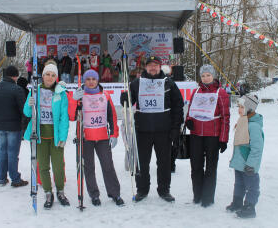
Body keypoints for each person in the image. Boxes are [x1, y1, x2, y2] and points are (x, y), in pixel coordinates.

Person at [120, 56, 184, 202]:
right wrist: (124, 98)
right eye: (150, 65)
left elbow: (178, 106)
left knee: (164, 162)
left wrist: (176, 128)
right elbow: (129, 102)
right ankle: (142, 190)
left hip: (164, 130)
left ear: (160, 66)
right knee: (142, 162)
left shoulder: (169, 83)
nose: (153, 68)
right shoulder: (137, 83)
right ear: (145, 68)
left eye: (155, 65)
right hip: (142, 130)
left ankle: (164, 190)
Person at [72, 69, 124, 206]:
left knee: (108, 166)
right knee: (89, 167)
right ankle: (94, 194)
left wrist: (113, 134)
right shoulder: (80, 96)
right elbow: (72, 116)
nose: (90, 82)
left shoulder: (105, 95)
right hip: (85, 137)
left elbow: (112, 116)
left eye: (93, 79)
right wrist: (74, 100)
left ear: (97, 80)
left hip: (102, 137)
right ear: (84, 80)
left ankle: (115, 193)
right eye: (88, 79)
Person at [23, 61, 70, 209]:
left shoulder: (60, 93)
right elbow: (27, 113)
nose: (49, 78)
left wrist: (63, 137)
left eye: (53, 75)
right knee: (42, 166)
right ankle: (48, 193)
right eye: (47, 75)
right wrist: (29, 104)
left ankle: (60, 192)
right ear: (43, 76)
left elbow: (64, 117)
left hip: (55, 136)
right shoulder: (35, 91)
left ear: (56, 77)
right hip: (40, 136)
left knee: (58, 167)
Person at [184, 64, 230, 207]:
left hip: (213, 135)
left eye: (208, 75)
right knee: (196, 166)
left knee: (210, 167)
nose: (205, 78)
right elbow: (190, 110)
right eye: (203, 76)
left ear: (213, 76)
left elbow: (225, 116)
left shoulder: (220, 92)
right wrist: (188, 121)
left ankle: (207, 197)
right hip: (196, 134)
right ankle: (197, 195)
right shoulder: (196, 91)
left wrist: (223, 139)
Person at [0, 66, 28, 187]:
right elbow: (23, 109)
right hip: (14, 126)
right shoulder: (17, 89)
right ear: (15, 76)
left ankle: (2, 178)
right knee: (13, 152)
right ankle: (15, 178)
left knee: (3, 151)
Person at [227, 94, 263, 218]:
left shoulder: (254, 126)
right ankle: (237, 202)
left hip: (248, 164)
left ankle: (249, 207)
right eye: (239, 107)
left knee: (251, 186)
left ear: (250, 108)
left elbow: (257, 148)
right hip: (239, 162)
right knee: (239, 184)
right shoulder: (242, 121)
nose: (239, 109)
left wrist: (251, 164)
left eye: (242, 107)